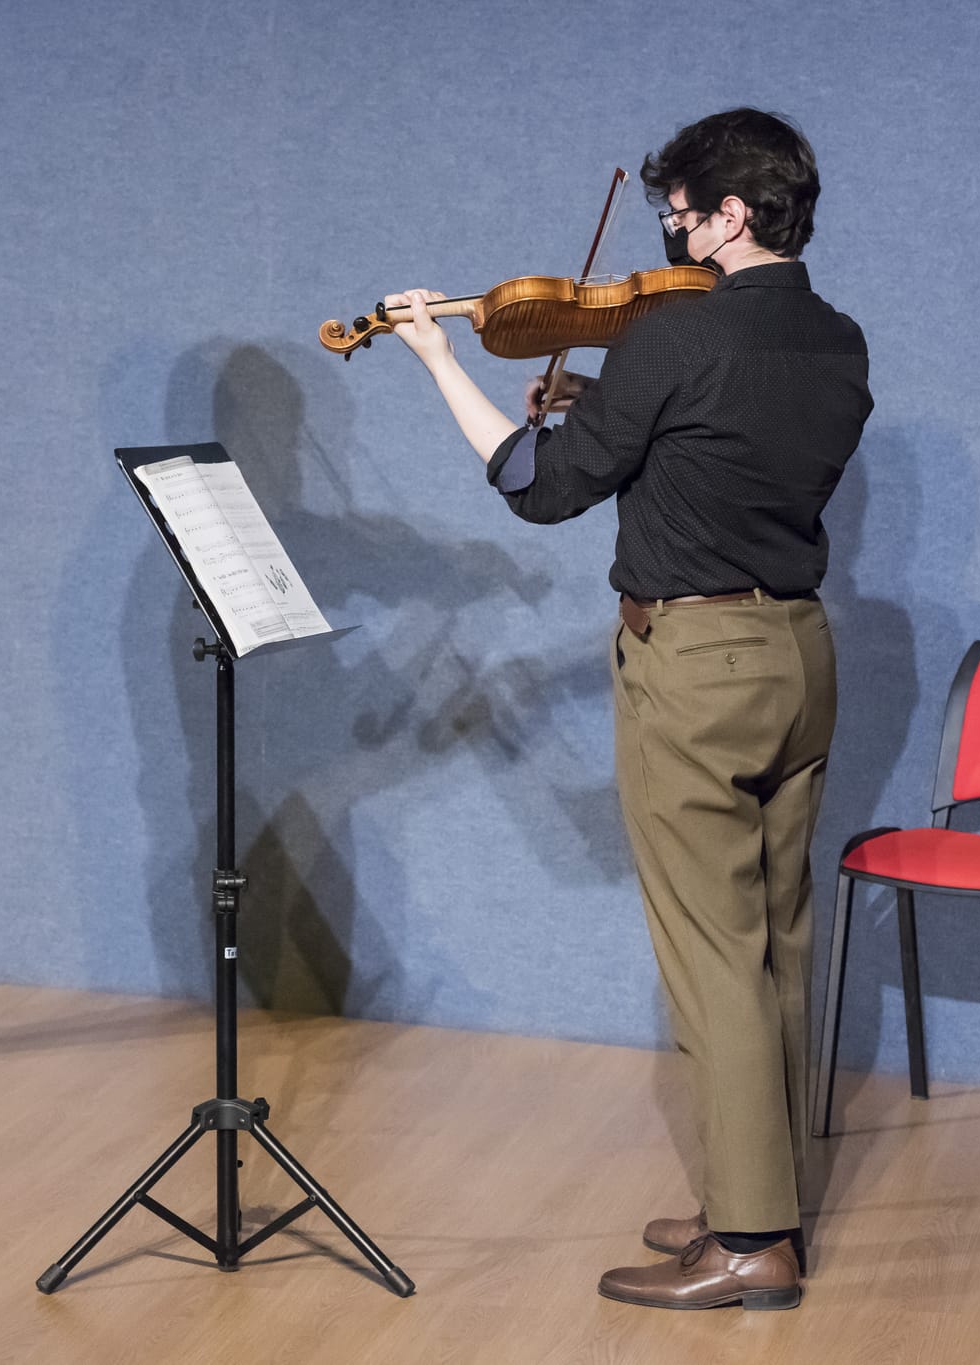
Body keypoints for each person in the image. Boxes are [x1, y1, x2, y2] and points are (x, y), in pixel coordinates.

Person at [387, 108, 872, 1310]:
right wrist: (604, 399)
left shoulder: (676, 337)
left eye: (680, 210)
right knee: (777, 943)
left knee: (713, 956)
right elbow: (723, 442)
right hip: (797, 653)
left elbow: (542, 491)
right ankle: (755, 1197)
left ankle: (749, 1241)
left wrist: (439, 362)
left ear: (730, 216)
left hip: (694, 665)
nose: (666, 228)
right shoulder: (833, 337)